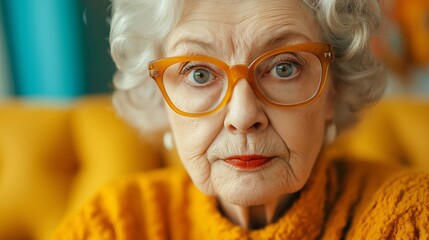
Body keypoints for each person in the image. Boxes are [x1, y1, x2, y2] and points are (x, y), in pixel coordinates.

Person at [54, 0, 429, 239]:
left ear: (336, 87)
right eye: (199, 73)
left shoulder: (408, 219)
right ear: (160, 98)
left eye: (284, 67)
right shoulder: (112, 226)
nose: (243, 115)